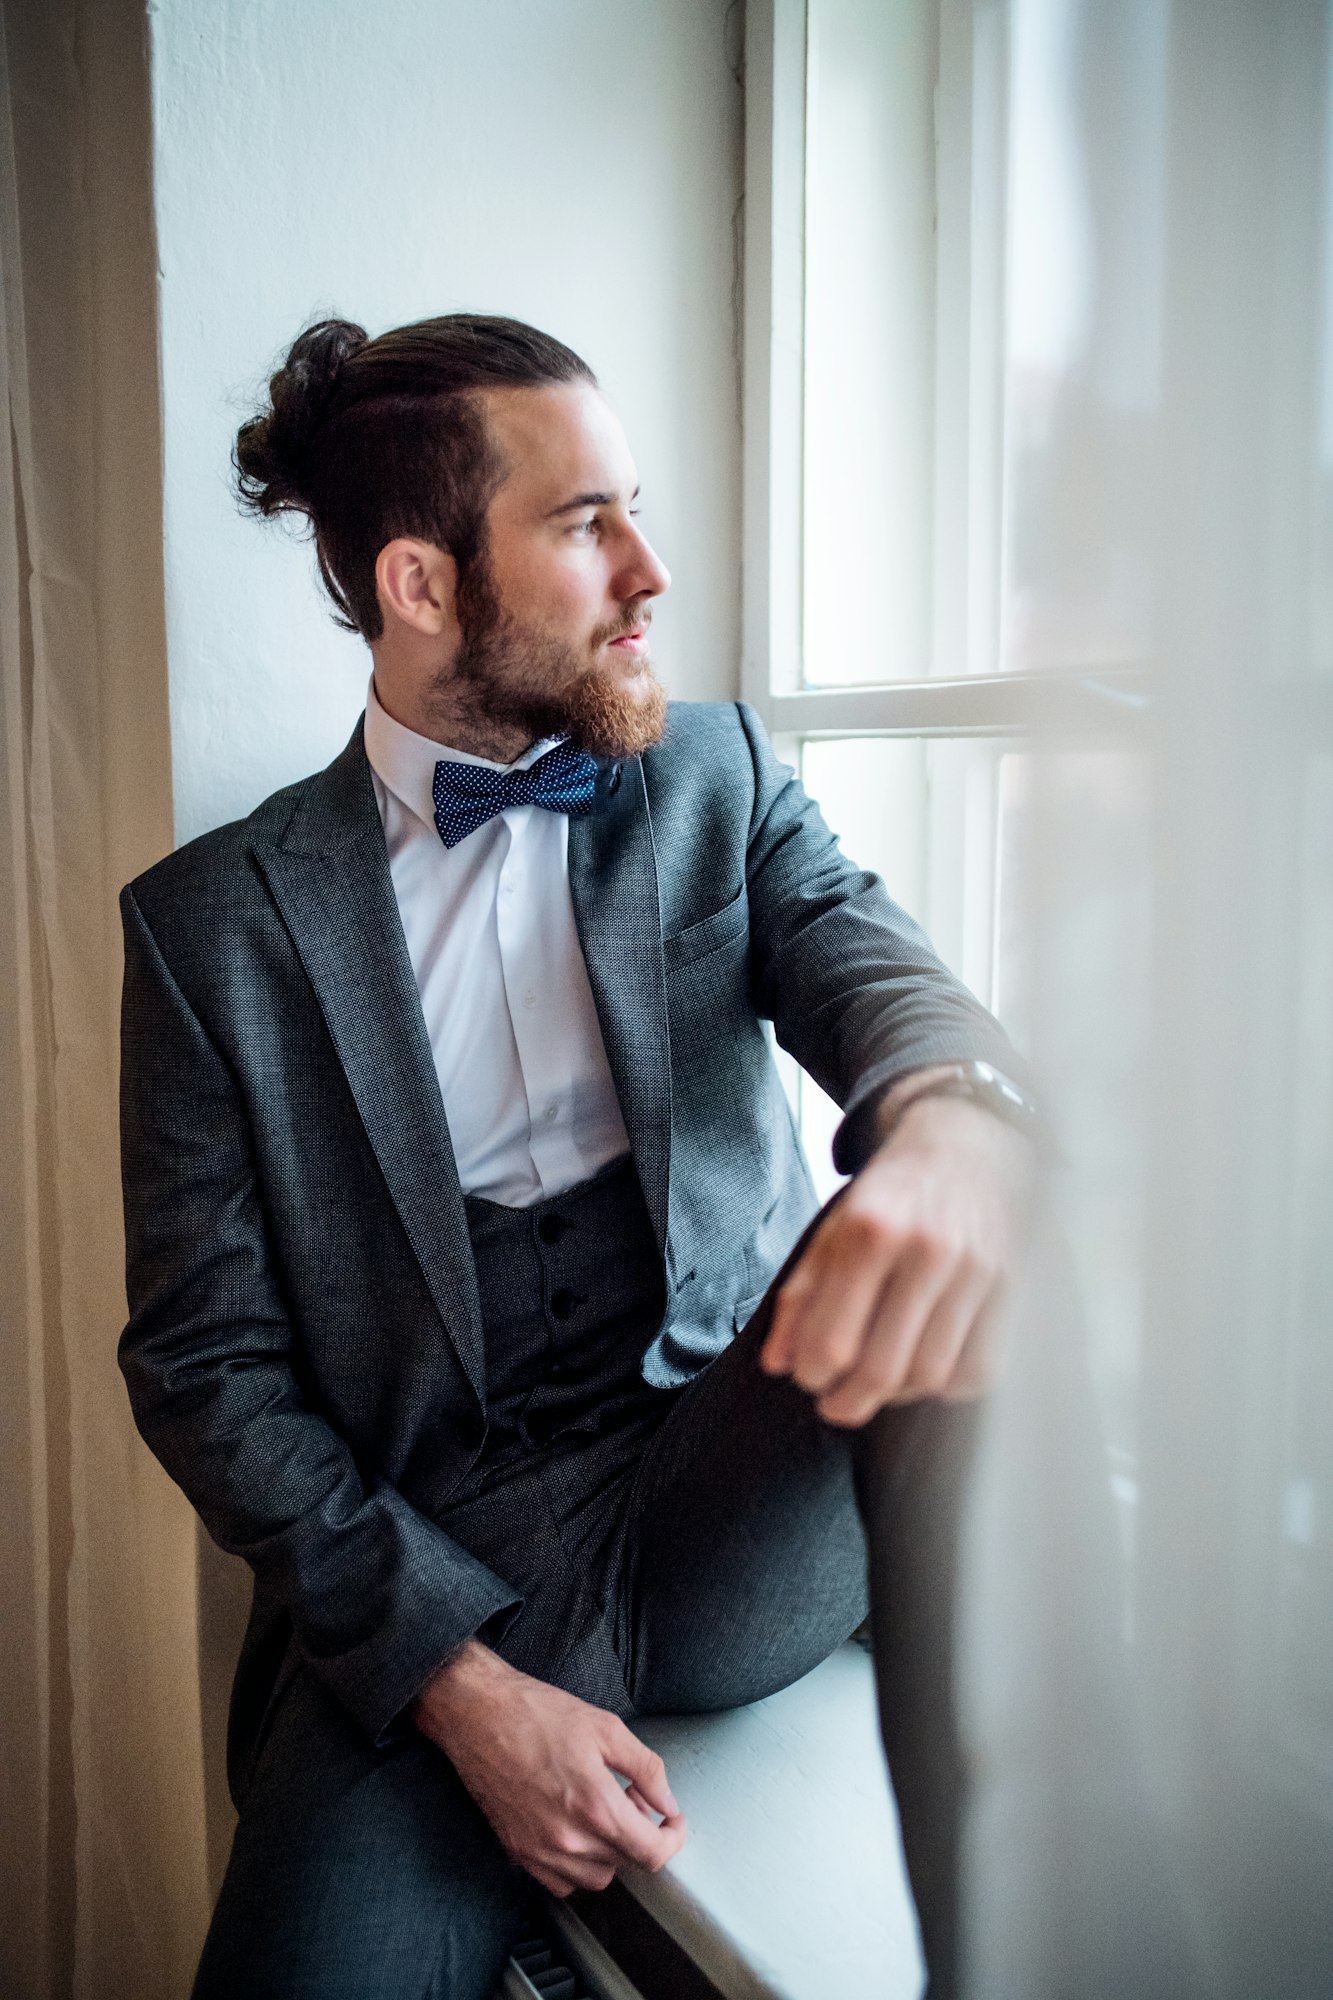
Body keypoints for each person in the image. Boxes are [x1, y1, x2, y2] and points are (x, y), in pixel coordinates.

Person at [118, 313, 1038, 2000]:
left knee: (937, 1251)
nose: (649, 569)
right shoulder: (208, 931)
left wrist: (951, 1114)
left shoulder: (713, 776)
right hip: (433, 1561)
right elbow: (202, 1363)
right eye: (583, 522)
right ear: (420, 584)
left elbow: (861, 952)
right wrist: (460, 1686)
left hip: (726, 1488)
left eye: (636, 507)